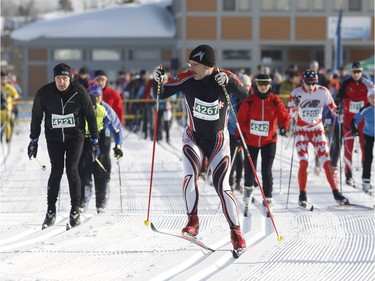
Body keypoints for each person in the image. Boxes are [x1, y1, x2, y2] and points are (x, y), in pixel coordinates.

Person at [152, 44, 249, 251]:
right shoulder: (187, 78)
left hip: (218, 142)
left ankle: (236, 232)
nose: (191, 67)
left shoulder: (224, 77)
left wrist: (231, 82)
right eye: (190, 63)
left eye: (194, 64)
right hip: (193, 138)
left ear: (208, 65)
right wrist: (157, 81)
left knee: (222, 186)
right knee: (189, 177)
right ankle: (192, 221)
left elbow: (246, 95)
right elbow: (159, 94)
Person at [28, 63, 99, 229]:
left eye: (65, 78)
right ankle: (51, 210)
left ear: (70, 78)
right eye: (58, 78)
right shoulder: (44, 93)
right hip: (54, 137)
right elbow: (36, 116)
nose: (61, 82)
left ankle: (75, 210)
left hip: (75, 136)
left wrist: (95, 140)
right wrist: (33, 140)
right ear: (54, 79)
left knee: (72, 170)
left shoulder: (80, 92)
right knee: (56, 170)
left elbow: (90, 115)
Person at [288, 69, 349, 206]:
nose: (311, 86)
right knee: (304, 162)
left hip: (317, 129)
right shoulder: (296, 93)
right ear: (303, 82)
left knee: (326, 161)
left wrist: (337, 110)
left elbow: (333, 107)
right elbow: (289, 116)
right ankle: (302, 195)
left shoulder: (323, 91)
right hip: (302, 130)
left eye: (313, 83)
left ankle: (336, 193)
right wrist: (294, 107)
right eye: (308, 83)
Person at [237, 74, 290, 212]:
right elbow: (241, 119)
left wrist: (284, 127)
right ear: (256, 85)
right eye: (260, 84)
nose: (263, 87)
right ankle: (248, 194)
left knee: (266, 171)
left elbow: (284, 115)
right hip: (250, 140)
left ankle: (268, 198)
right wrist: (239, 136)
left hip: (269, 141)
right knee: (250, 170)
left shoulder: (275, 101)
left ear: (270, 85)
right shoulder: (249, 101)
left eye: (266, 84)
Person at [79, 85, 123, 213]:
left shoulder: (104, 110)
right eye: (93, 96)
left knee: (101, 173)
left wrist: (118, 146)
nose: (96, 99)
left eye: (98, 96)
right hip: (86, 141)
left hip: (102, 141)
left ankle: (101, 202)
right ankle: (82, 199)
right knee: (81, 171)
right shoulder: (82, 108)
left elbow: (116, 129)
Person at [338, 62, 374, 186]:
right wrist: (338, 106)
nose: (357, 74)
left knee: (365, 149)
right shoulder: (346, 84)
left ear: (361, 71)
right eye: (354, 72)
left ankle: (365, 177)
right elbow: (338, 97)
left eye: (359, 72)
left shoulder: (367, 83)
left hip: (364, 122)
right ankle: (348, 175)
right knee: (348, 148)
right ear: (351, 72)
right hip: (348, 121)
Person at [228, 73, 251, 192]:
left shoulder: (249, 98)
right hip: (232, 131)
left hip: (244, 133)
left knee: (240, 159)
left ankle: (238, 182)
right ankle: (230, 182)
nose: (246, 88)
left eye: (248, 86)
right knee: (231, 157)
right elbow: (230, 115)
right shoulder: (233, 97)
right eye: (244, 85)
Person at [351, 88, 374, 193]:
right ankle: (366, 181)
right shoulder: (366, 109)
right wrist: (354, 129)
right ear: (368, 99)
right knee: (368, 157)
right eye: (371, 97)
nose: (374, 99)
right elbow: (355, 119)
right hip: (368, 135)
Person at [1, 71, 20, 142]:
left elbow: (16, 94)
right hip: (1, 109)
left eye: (4, 78)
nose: (3, 80)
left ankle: (7, 138)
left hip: (8, 108)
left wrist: (14, 97)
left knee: (7, 123)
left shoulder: (9, 87)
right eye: (1, 78)